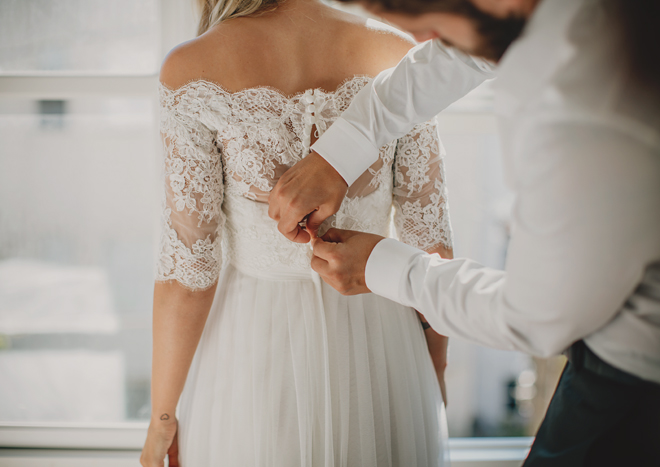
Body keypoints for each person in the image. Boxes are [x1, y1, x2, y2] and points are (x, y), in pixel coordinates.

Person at [269, 0, 660, 465]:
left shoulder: (581, 109)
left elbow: (537, 318)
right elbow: (462, 52)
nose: (421, 45)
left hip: (633, 390)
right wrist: (341, 149)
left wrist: (388, 269)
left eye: (434, 29)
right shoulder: (541, 16)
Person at [139, 0, 494, 465]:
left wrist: (162, 419)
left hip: (251, 349)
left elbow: (188, 272)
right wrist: (434, 370)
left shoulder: (192, 69)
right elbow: (430, 238)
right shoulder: (396, 51)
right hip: (382, 344)